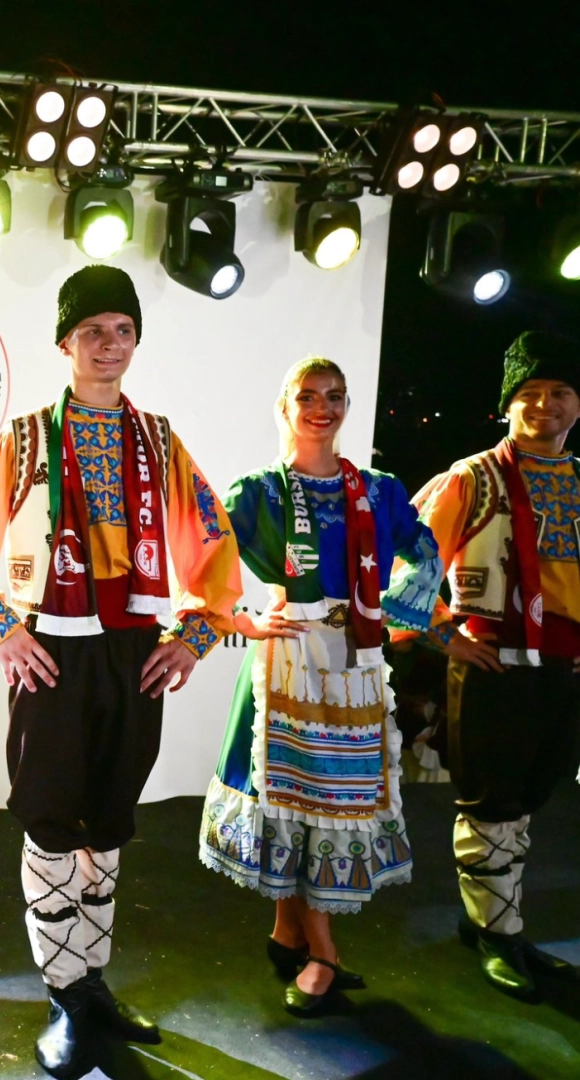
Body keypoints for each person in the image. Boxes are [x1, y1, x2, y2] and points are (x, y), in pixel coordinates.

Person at [0, 265, 242, 1076]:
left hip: (132, 647)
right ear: (65, 343)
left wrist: (195, 634)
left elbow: (213, 541)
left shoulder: (159, 441)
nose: (109, 344)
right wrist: (1, 627)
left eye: (122, 329)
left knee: (110, 815)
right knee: (50, 816)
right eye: (92, 330)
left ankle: (92, 983)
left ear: (136, 340)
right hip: (53, 645)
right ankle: (63, 993)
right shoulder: (26, 439)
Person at [197, 357, 444, 1016]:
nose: (322, 408)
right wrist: (242, 619)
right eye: (308, 396)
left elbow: (425, 551)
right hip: (288, 659)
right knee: (293, 802)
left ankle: (290, 934)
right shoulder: (260, 492)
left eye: (335, 396)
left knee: (329, 802)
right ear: (285, 406)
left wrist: (388, 614)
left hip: (354, 662)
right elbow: (204, 555)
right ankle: (324, 953)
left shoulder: (379, 492)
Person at [403, 331, 580, 1002]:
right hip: (494, 659)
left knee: (529, 796)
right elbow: (409, 563)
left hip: (563, 666)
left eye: (559, 392)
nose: (544, 404)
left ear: (577, 405)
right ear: (507, 405)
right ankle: (498, 933)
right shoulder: (472, 477)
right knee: (492, 800)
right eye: (529, 393)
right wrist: (445, 634)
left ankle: (494, 921)